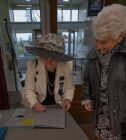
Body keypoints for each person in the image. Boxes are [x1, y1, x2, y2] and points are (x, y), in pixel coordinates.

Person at [82, 4, 126, 140]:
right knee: (99, 137)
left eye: (103, 41)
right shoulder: (93, 53)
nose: (98, 46)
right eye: (96, 40)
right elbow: (86, 78)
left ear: (120, 36)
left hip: (120, 116)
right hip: (100, 110)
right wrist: (86, 97)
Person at [21, 33, 75, 112]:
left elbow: (69, 88)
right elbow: (29, 89)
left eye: (53, 57)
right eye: (46, 56)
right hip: (37, 103)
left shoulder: (67, 65)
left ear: (59, 57)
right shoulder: (32, 65)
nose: (49, 60)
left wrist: (67, 100)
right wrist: (34, 104)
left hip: (58, 105)